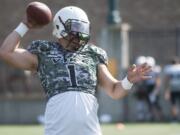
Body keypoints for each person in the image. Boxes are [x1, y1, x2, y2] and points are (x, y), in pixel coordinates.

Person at [0, 6, 151, 135]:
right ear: (59, 27)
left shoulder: (93, 53)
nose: (80, 34)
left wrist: (128, 81)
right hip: (57, 130)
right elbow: (6, 52)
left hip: (89, 131)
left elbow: (114, 90)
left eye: (83, 28)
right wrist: (25, 25)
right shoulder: (44, 51)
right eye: (76, 28)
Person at [163, 57, 180, 122]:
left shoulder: (169, 69)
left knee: (174, 104)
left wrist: (167, 91)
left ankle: (175, 119)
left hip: (172, 88)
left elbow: (167, 80)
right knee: (174, 105)